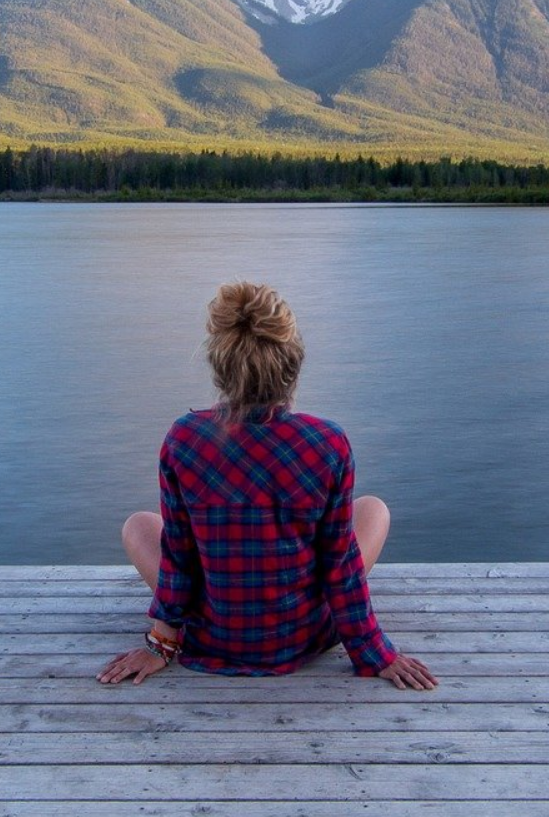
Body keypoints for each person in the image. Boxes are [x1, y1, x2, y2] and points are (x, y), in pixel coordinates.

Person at [98, 281, 438, 690]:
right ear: (292, 363)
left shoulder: (184, 439)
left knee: (139, 525)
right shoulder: (327, 443)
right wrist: (374, 653)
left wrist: (160, 646)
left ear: (220, 367)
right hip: (300, 637)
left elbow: (179, 557)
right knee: (374, 510)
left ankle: (190, 629)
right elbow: (340, 564)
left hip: (211, 635)